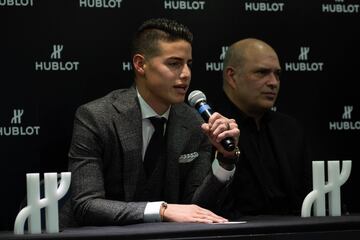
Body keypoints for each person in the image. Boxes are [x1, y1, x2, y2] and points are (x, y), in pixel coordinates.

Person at [60, 18, 240, 227]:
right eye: (174, 63)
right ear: (140, 64)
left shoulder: (194, 122)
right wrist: (162, 209)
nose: (186, 74)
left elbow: (197, 208)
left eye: (189, 64)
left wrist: (226, 160)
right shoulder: (96, 117)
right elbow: (85, 205)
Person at [213, 38, 311, 219]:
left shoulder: (291, 130)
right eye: (262, 72)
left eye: (278, 74)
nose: (273, 82)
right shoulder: (209, 129)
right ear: (232, 76)